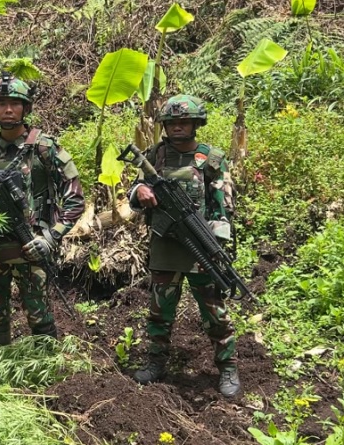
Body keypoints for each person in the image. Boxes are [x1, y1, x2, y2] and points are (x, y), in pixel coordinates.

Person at [129, 94, 239, 397]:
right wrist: (140, 191)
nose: (178, 127)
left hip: (201, 243)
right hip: (165, 243)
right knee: (159, 309)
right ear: (165, 125)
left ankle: (227, 366)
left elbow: (223, 207)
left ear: (195, 124)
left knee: (214, 310)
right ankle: (156, 361)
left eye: (184, 121)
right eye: (172, 122)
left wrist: (215, 245)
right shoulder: (155, 156)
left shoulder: (211, 159)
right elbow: (136, 189)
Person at [0, 73, 85, 346]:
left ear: (26, 108)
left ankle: (45, 367)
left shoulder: (45, 148)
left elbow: (75, 198)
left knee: (39, 316)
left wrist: (50, 237)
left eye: (15, 104)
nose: (8, 110)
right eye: (1, 104)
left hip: (32, 246)